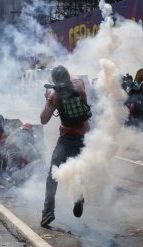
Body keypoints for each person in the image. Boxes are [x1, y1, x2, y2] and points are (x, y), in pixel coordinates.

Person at [40, 65, 91, 227]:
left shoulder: (55, 95)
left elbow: (43, 119)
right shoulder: (79, 86)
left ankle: (48, 211)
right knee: (78, 171)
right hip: (83, 137)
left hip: (66, 139)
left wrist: (49, 98)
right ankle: (79, 198)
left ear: (55, 80)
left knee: (53, 175)